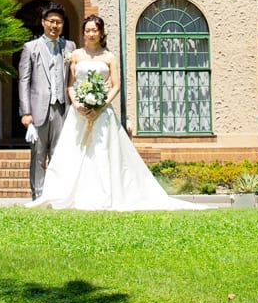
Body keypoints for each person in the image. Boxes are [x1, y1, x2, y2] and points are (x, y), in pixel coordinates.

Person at [28, 15, 197, 211]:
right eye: (87, 30)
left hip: (102, 113)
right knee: (74, 154)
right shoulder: (76, 55)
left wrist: (100, 105)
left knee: (102, 153)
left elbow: (116, 86)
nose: (91, 34)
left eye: (94, 30)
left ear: (101, 33)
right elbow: (70, 85)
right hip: (78, 114)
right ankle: (70, 195)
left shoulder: (109, 57)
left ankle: (105, 195)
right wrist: (78, 105)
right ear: (83, 33)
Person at [18, 2, 75, 200]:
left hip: (62, 109)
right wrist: (26, 112)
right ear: (43, 22)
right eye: (51, 21)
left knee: (60, 154)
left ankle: (58, 194)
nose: (54, 25)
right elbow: (24, 80)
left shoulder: (69, 47)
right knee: (39, 155)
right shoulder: (30, 47)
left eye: (58, 22)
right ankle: (38, 195)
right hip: (38, 110)